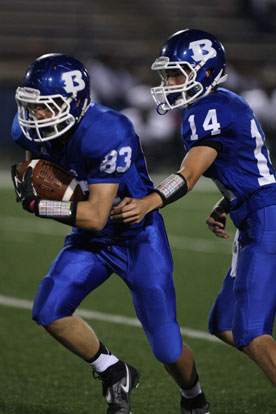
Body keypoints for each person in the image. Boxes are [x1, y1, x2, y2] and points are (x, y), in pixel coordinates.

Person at [10, 53, 210, 414]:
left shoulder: (107, 131)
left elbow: (96, 216)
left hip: (135, 235)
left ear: (74, 103)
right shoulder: (28, 127)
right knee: (48, 309)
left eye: (44, 107)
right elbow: (37, 169)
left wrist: (39, 205)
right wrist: (37, 181)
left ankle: (194, 398)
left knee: (166, 347)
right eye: (29, 106)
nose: (34, 116)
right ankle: (114, 371)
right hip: (93, 240)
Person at [111, 28, 276, 390]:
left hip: (267, 220)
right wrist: (227, 200)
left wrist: (150, 201)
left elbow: (188, 174)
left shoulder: (209, 110)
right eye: (167, 74)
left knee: (250, 333)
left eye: (176, 73)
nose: (168, 82)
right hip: (257, 211)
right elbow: (249, 163)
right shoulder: (225, 101)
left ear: (203, 72)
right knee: (226, 325)